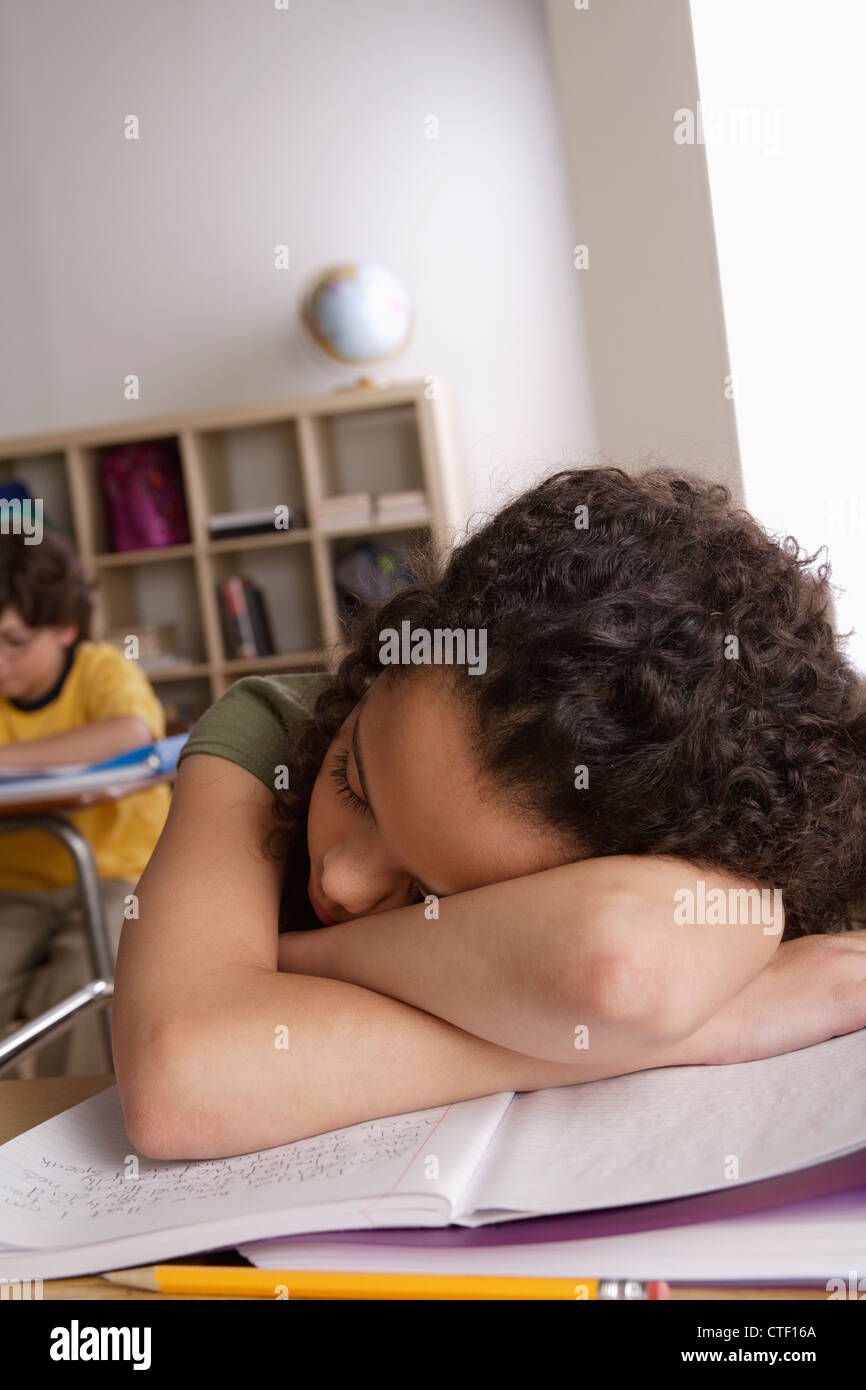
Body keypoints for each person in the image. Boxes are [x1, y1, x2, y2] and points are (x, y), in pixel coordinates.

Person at [112, 466, 866, 1160]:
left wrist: (296, 967)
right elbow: (181, 1079)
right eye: (353, 781)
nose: (341, 882)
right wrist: (705, 1028)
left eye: (437, 898)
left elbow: (616, 974)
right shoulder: (267, 735)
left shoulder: (726, 853)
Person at [0, 530, 171, 1077]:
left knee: (83, 973)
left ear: (67, 629)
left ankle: (59, 1110)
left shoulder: (101, 669)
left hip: (118, 874)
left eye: (15, 641)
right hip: (18, 888)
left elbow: (129, 732)